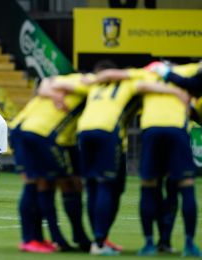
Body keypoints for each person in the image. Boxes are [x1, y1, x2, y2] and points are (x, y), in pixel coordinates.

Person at [78, 63, 190, 256]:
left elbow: (53, 84)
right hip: (108, 131)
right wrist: (175, 92)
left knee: (92, 186)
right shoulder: (130, 84)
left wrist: (92, 79)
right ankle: (99, 241)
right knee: (106, 185)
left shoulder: (93, 85)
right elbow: (148, 86)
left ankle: (98, 240)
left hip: (83, 131)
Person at [9, 74, 90, 253]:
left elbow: (46, 83)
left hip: (22, 129)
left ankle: (42, 238)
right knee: (37, 183)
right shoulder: (87, 85)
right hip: (38, 133)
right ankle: (31, 239)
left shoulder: (63, 80)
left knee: (45, 183)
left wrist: (51, 91)